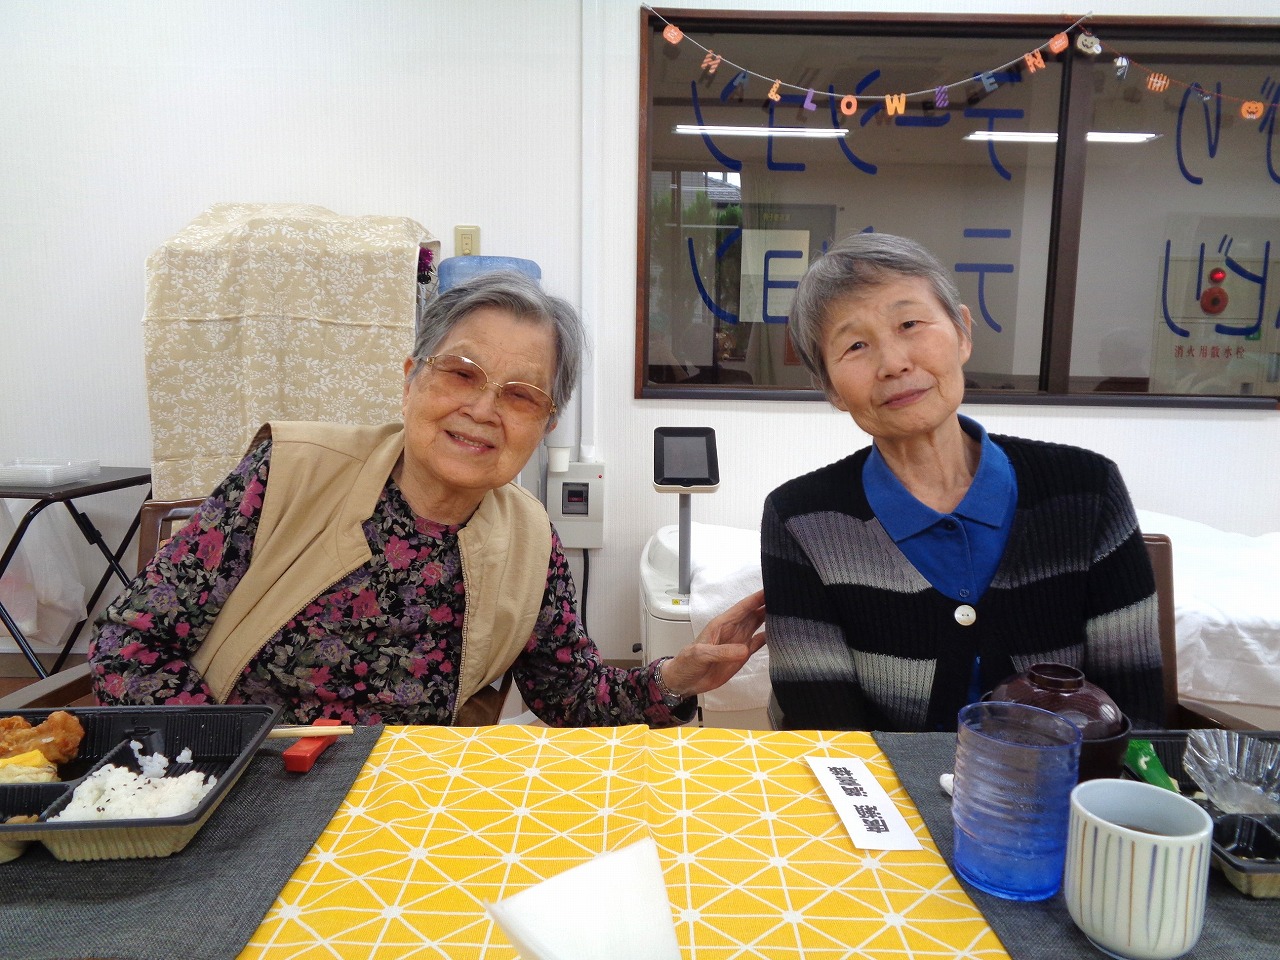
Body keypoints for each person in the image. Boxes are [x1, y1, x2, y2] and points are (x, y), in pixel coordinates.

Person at [90, 271, 765, 727]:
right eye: (461, 373)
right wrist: (223, 761)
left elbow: (570, 695)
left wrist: (680, 675)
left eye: (520, 395)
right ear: (411, 379)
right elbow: (133, 642)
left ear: (545, 424)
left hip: (409, 815)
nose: (483, 409)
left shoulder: (530, 538)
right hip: (242, 788)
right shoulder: (290, 471)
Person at [761, 233, 1163, 732]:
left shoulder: (1087, 490)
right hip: (884, 786)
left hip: (1071, 782)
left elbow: (1134, 716)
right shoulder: (803, 518)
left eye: (909, 324)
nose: (894, 363)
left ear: (963, 333)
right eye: (856, 345)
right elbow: (826, 734)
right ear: (832, 389)